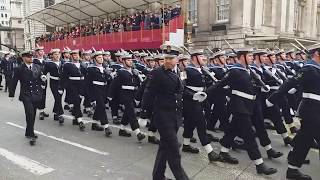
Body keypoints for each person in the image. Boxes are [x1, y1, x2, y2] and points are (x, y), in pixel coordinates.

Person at [207, 48, 277, 175]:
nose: (252, 58)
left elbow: (246, 86)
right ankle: (259, 164)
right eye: (249, 55)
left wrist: (261, 87)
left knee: (233, 130)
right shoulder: (234, 71)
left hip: (249, 105)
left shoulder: (248, 70)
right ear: (242, 57)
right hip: (239, 106)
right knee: (249, 135)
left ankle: (223, 152)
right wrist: (205, 94)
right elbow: (220, 84)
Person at [266, 44, 320, 180]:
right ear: (317, 53)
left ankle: (293, 165)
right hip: (311, 109)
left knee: (304, 138)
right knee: (305, 138)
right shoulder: (309, 68)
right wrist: (273, 98)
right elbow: (291, 82)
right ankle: (293, 169)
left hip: (316, 109)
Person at [142, 43, 189, 180]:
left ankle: (158, 176)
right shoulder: (157, 73)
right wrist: (144, 114)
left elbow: (180, 91)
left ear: (177, 59)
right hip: (162, 117)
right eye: (166, 58)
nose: (168, 61)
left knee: (164, 147)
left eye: (171, 58)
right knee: (174, 151)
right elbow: (148, 93)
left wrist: (195, 96)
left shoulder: (179, 72)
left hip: (175, 116)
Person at [9, 50, 46, 144]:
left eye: (31, 56)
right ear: (23, 58)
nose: (31, 58)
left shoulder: (37, 66)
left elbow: (41, 77)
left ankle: (28, 131)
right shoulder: (19, 69)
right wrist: (11, 94)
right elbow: (14, 82)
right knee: (29, 114)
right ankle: (31, 134)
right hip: (26, 94)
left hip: (36, 94)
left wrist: (43, 80)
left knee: (32, 114)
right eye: (28, 57)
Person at [108, 53, 145, 142]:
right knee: (131, 112)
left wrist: (136, 76)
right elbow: (114, 85)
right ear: (123, 61)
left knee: (127, 113)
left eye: (131, 60)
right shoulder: (120, 72)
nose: (130, 62)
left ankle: (122, 129)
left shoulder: (133, 71)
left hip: (133, 94)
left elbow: (137, 84)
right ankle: (138, 132)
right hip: (125, 94)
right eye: (128, 60)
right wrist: (110, 95)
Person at [86, 51, 113, 136]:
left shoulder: (105, 68)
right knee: (101, 106)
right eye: (99, 57)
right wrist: (91, 98)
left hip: (104, 89)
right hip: (96, 89)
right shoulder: (91, 69)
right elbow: (88, 84)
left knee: (100, 106)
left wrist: (109, 75)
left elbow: (108, 81)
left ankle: (94, 123)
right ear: (94, 59)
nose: (101, 59)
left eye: (101, 57)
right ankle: (106, 126)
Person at [43, 48, 65, 124]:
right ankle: (60, 115)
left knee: (59, 98)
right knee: (57, 98)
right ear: (52, 55)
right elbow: (44, 73)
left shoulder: (63, 63)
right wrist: (43, 80)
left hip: (61, 83)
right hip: (53, 83)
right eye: (55, 54)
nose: (57, 55)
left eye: (58, 54)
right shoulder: (48, 64)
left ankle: (56, 114)